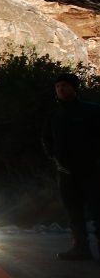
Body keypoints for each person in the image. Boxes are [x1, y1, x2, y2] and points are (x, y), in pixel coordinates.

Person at [42, 72, 100, 260]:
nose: (61, 89)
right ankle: (80, 248)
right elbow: (47, 138)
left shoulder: (92, 111)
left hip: (92, 170)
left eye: (65, 85)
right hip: (66, 172)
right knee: (74, 212)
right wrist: (53, 156)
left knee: (97, 209)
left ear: (74, 88)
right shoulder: (55, 114)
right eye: (58, 87)